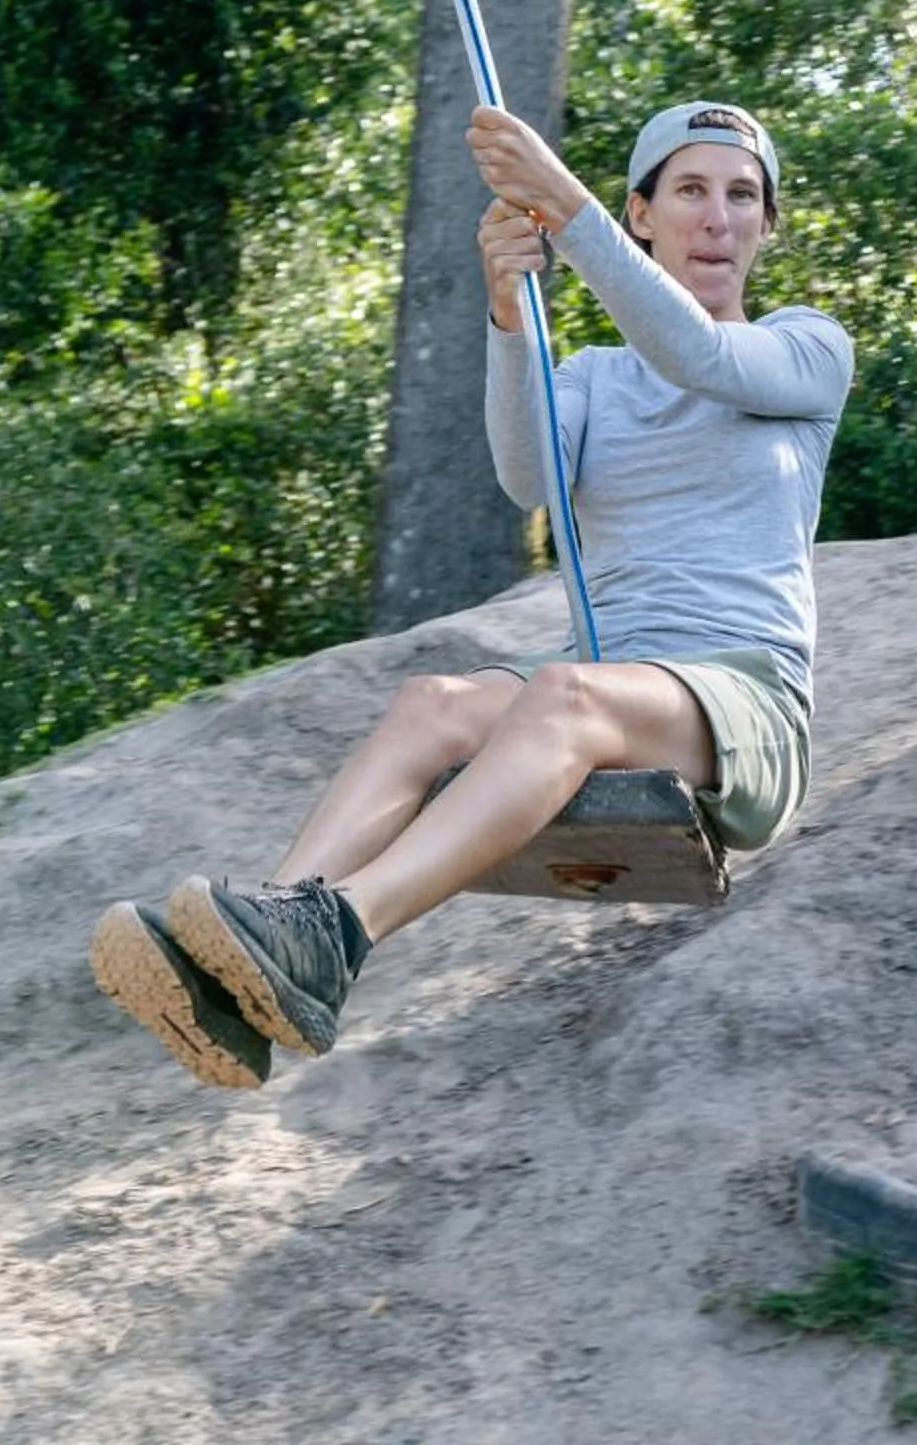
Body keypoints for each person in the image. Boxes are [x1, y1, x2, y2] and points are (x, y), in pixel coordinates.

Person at [88, 98, 853, 1087]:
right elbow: (529, 475)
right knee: (432, 703)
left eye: (743, 196)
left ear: (765, 223)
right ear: (643, 213)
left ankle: (341, 927)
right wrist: (507, 316)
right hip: (619, 681)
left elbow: (695, 354)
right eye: (692, 191)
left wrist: (560, 206)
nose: (719, 217)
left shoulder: (805, 349)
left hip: (741, 701)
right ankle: (252, 968)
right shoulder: (593, 377)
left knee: (562, 693)